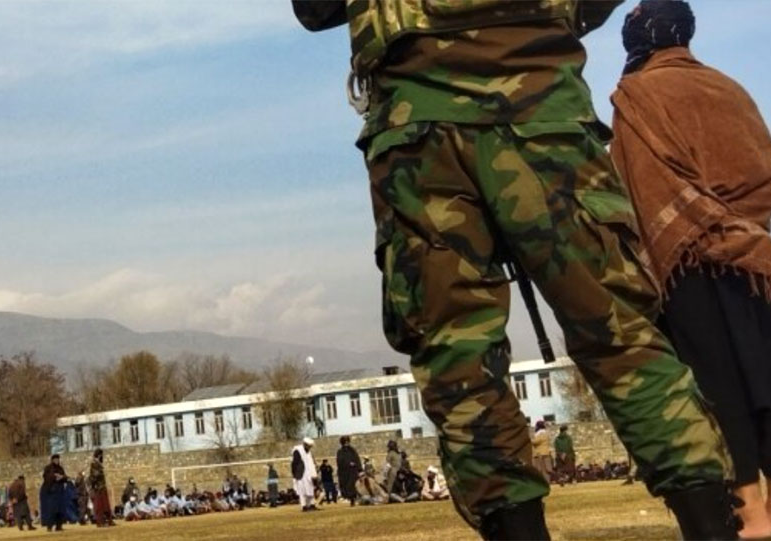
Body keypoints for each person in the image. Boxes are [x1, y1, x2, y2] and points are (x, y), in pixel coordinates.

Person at [293, 0, 739, 538]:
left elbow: (314, 9)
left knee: (460, 358)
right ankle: (711, 524)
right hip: (545, 110)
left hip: (420, 132)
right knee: (621, 338)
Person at [610, 1, 771, 538]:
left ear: (640, 39)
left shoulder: (636, 96)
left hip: (683, 264)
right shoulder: (729, 88)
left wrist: (693, 223)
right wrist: (735, 224)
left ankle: (750, 514)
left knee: (712, 385)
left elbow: (630, 188)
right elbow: (767, 169)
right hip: (747, 254)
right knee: (770, 376)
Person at [41, 454, 68, 531]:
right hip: (52, 492)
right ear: (52, 460)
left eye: (58, 459)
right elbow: (45, 478)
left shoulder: (60, 468)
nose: (57, 461)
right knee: (51, 510)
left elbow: (65, 477)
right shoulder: (48, 468)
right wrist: (54, 476)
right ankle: (49, 526)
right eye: (55, 459)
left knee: (60, 510)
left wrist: (62, 477)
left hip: (60, 491)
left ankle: (59, 526)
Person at [291, 437, 319, 512]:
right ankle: (304, 506)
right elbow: (294, 464)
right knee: (302, 490)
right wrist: (295, 474)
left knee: (311, 489)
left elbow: (311, 462)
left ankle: (312, 504)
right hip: (301, 474)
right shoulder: (297, 451)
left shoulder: (309, 452)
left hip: (309, 473)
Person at [88, 449, 114, 527]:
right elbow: (93, 476)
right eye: (101, 454)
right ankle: (100, 521)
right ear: (99, 455)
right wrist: (99, 472)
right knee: (99, 506)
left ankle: (109, 520)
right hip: (98, 488)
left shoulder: (98, 463)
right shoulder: (94, 464)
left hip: (102, 486)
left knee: (106, 505)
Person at [336, 436, 361, 506]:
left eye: (347, 442)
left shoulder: (352, 451)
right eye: (345, 442)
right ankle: (349, 498)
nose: (347, 444)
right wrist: (348, 463)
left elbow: (357, 459)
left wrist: (359, 469)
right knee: (346, 486)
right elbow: (340, 461)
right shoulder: (340, 452)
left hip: (353, 471)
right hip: (345, 473)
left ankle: (353, 498)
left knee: (353, 486)